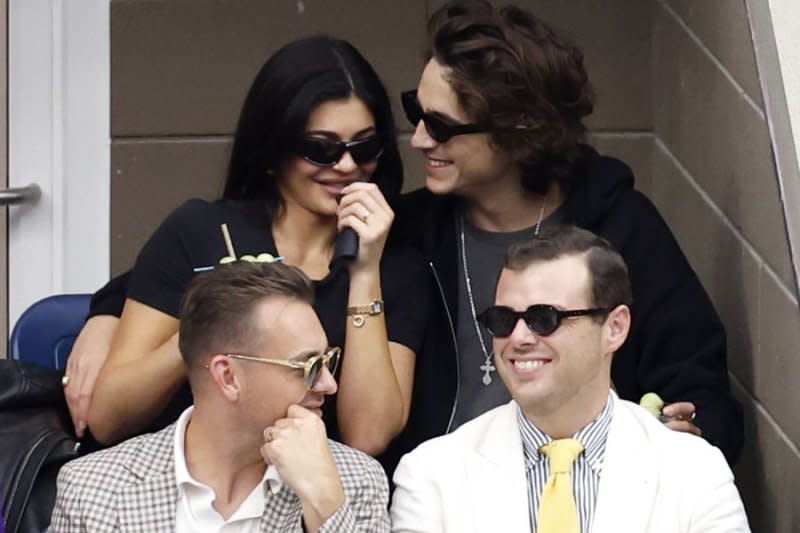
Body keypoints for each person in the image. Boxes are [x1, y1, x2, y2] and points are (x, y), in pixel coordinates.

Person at [389, 0, 742, 464]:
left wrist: (691, 430)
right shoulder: (411, 234)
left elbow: (699, 382)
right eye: (416, 110)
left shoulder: (619, 226)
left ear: (519, 128)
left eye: (441, 126)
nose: (419, 138)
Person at [72, 36, 428, 469]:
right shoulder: (201, 232)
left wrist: (365, 268)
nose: (348, 166)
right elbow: (110, 418)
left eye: (366, 146)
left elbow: (367, 435)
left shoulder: (398, 263)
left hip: (317, 495)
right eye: (322, 148)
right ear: (273, 149)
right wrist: (209, 327)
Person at [390, 226, 750, 533]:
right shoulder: (430, 475)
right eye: (503, 319)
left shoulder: (694, 471)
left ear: (615, 328)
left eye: (544, 317)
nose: (519, 338)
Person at [50, 261, 391, 532]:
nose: (329, 384)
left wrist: (323, 500)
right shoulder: (93, 489)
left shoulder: (352, 479)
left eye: (328, 361)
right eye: (308, 365)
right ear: (228, 376)